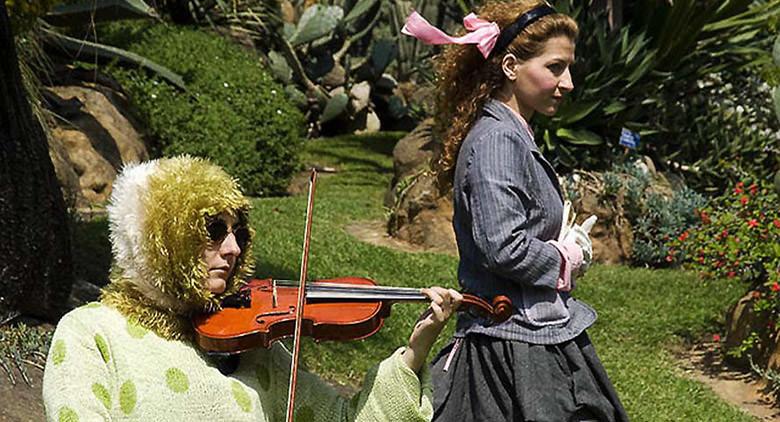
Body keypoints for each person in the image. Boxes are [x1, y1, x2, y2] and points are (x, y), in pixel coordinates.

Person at [42, 155, 462, 421]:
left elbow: (344, 418)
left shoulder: (252, 344)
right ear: (161, 237)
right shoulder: (92, 333)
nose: (232, 248)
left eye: (239, 233)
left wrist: (414, 351)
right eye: (212, 230)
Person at [403, 2, 629, 421]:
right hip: (509, 350)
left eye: (569, 68)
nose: (569, 83)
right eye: (556, 67)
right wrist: (566, 260)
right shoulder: (496, 141)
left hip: (529, 334)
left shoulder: (511, 132)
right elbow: (504, 247)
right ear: (510, 66)